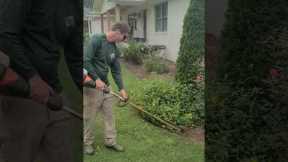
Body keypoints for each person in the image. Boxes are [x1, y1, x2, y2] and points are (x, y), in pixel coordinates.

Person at [0, 0, 82, 161]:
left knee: (62, 153)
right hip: (20, 94)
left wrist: (87, 90)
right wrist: (32, 78)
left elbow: (76, 57)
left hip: (53, 93)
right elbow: (4, 34)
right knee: (19, 154)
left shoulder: (75, 5)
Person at [83, 22, 129, 155]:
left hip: (106, 87)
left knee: (110, 115)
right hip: (92, 86)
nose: (124, 40)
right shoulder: (97, 39)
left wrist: (122, 89)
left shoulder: (114, 49)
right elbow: (86, 60)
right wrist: (96, 79)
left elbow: (116, 70)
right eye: (124, 37)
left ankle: (110, 141)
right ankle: (87, 143)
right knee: (90, 116)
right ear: (118, 33)